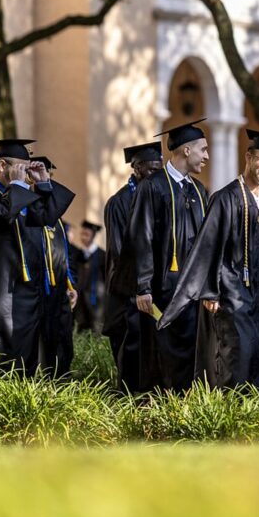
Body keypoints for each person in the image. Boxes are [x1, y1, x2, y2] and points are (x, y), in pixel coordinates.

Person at [163, 129, 259, 387]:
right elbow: (208, 246)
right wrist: (210, 291)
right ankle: (231, 404)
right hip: (231, 292)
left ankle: (253, 406)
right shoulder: (225, 198)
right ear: (248, 157)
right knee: (235, 353)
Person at [0, 139, 76, 374]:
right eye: (21, 167)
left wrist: (44, 183)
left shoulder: (18, 194)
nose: (25, 174)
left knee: (25, 355)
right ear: (2, 165)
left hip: (25, 291)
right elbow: (3, 213)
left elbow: (47, 216)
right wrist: (17, 184)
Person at [132, 120, 211, 391]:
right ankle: (160, 405)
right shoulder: (152, 187)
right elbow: (142, 238)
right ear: (186, 150)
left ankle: (185, 404)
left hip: (193, 288)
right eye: (203, 149)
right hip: (161, 288)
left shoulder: (198, 190)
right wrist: (143, 286)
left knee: (191, 351)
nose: (207, 156)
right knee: (162, 351)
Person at [103, 141, 160, 392]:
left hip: (151, 288)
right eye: (151, 169)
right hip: (127, 290)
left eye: (159, 170)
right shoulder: (119, 202)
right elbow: (119, 252)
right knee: (130, 347)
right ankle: (127, 398)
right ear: (136, 168)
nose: (155, 175)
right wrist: (139, 286)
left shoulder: (156, 196)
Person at [31, 158, 77, 378]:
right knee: (41, 341)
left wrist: (71, 284)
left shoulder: (57, 220)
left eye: (49, 177)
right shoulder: (30, 213)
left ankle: (61, 380)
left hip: (59, 290)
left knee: (63, 340)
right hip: (37, 289)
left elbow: (64, 254)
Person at [74, 220, 106, 333]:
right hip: (80, 298)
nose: (83, 237)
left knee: (96, 327)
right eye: (82, 234)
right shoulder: (78, 254)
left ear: (93, 236)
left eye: (86, 234)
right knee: (80, 327)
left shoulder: (102, 255)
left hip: (97, 298)